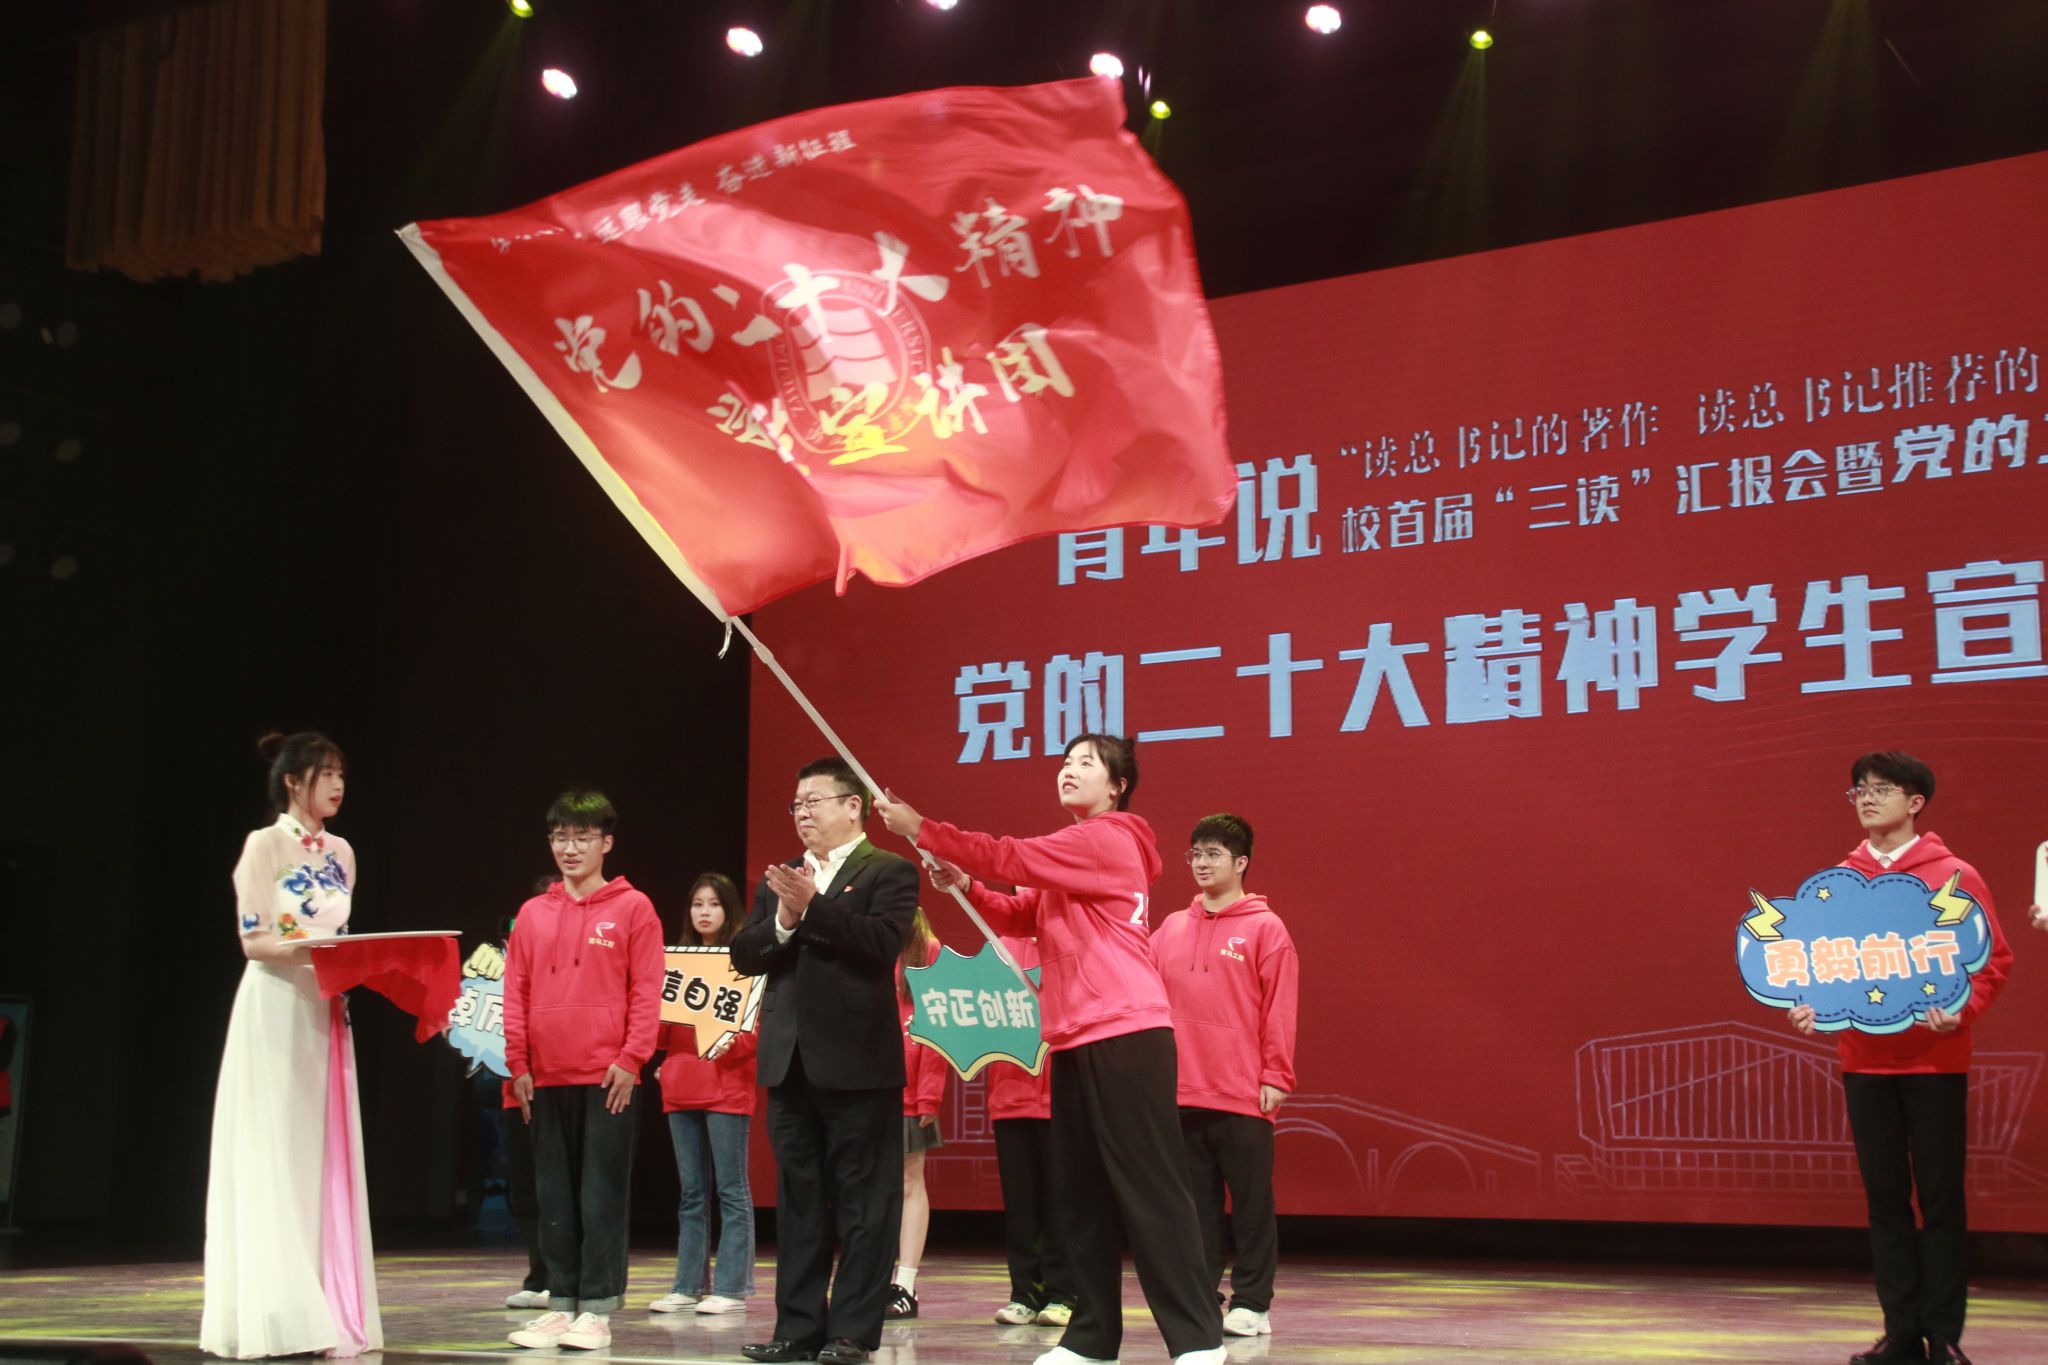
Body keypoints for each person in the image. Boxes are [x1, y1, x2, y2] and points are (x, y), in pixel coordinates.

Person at [877, 734, 1227, 1365]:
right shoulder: (1075, 854)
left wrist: (923, 829)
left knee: (1150, 1189)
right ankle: (1091, 1339)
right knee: (1081, 1193)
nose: (1069, 770)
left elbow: (1009, 855)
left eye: (1086, 763)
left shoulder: (1110, 838)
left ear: (1117, 786)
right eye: (1065, 762)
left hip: (1125, 1029)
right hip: (1073, 1033)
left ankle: (1198, 1340)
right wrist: (964, 884)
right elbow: (1020, 917)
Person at [1787, 753, 2013, 1365]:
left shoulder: (1953, 876)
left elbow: (1993, 960)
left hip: (1936, 1062)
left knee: (1940, 1204)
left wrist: (1963, 1011)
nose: (1866, 798)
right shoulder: (1838, 882)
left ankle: (1944, 1337)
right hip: (1864, 1063)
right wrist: (1807, 1007)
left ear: (1915, 802)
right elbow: (1814, 964)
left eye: (1881, 789)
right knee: (1886, 1206)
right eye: (1858, 790)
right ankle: (1902, 1335)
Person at [732, 758, 919, 1365]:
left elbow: (881, 944)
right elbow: (744, 953)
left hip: (859, 1064)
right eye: (796, 804)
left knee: (865, 1204)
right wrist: (784, 921)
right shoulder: (782, 878)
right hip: (789, 1064)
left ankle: (852, 1334)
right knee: (800, 1203)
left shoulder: (888, 870)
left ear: (852, 806)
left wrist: (813, 908)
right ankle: (797, 1329)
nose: (802, 813)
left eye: (813, 801)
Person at [201, 731, 383, 1357]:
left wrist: (354, 963)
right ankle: (276, 1311)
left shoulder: (342, 852)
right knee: (275, 1149)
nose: (337, 785)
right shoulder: (265, 844)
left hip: (324, 1007)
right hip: (275, 1005)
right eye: (325, 774)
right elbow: (254, 942)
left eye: (341, 774)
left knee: (319, 1153)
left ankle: (323, 1307)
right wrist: (320, 953)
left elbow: (343, 934)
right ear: (291, 781)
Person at [502, 791, 665, 1352]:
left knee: (601, 1197)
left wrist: (631, 1058)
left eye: (581, 838)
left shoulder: (634, 908)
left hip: (607, 1077)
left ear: (606, 843)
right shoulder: (532, 913)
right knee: (553, 1199)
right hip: (545, 1075)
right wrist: (518, 1063)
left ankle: (596, 1310)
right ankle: (561, 1304)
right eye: (559, 838)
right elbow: (515, 990)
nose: (569, 849)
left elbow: (647, 990)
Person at [1151, 813, 1298, 1339]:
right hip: (1180, 1088)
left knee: (1251, 1205)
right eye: (1195, 853)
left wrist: (1275, 1074)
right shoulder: (1171, 927)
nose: (1201, 863)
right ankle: (1201, 1293)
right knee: (1195, 1207)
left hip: (1242, 1090)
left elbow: (1279, 1007)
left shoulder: (1266, 928)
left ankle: (1253, 1302)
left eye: (1213, 854)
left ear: (1241, 863)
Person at [649, 872, 759, 1317]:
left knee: (731, 1190)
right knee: (692, 1194)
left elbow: (755, 1030)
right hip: (681, 1087)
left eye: (713, 904)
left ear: (729, 910)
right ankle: (688, 1285)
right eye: (697, 904)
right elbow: (659, 1034)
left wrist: (733, 1043)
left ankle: (731, 1288)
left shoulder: (745, 961)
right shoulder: (675, 962)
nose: (704, 912)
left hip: (726, 1087)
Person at [985, 933, 1076, 1330]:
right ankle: (1024, 1294)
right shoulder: (998, 945)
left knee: (1063, 1203)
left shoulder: (1072, 938)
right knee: (1021, 1207)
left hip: (1062, 1095)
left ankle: (1064, 1294)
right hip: (1010, 1094)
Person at [887, 909, 948, 1320]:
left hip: (908, 1087)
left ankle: (904, 1284)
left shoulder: (928, 950)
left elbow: (937, 1025)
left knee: (910, 1182)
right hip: (865, 1085)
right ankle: (870, 1278)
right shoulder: (863, 941)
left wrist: (929, 1095)